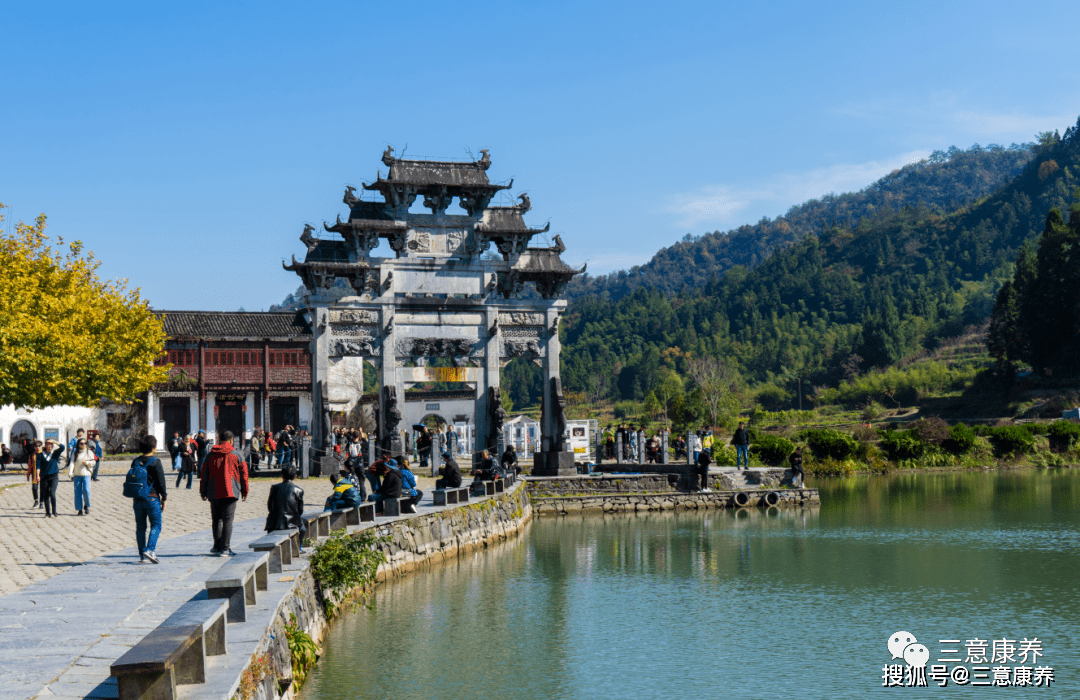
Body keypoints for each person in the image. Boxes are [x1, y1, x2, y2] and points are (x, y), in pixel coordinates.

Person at [200, 430, 249, 556]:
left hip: (213, 490)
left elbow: (204, 474)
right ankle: (225, 548)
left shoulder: (210, 455)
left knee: (216, 519)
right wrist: (245, 490)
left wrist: (203, 490)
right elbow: (244, 474)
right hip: (231, 490)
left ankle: (217, 546)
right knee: (227, 520)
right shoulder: (237, 454)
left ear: (219, 440)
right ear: (231, 440)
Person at [129, 435, 167, 563]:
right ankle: (150, 550)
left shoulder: (135, 461)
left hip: (138, 498)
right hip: (152, 498)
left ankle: (142, 554)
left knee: (140, 527)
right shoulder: (156, 462)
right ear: (153, 447)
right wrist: (164, 497)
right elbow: (161, 482)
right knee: (156, 524)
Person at [266, 465, 305, 548]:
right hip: (292, 522)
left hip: (274, 523)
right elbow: (300, 510)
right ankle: (299, 546)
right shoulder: (299, 490)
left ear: (282, 476)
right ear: (295, 476)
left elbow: (269, 506)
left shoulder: (274, 488)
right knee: (304, 526)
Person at [68, 436, 96, 515]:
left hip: (86, 474)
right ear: (78, 444)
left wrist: (87, 463)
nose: (84, 444)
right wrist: (70, 472)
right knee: (78, 493)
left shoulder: (89, 452)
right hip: (77, 474)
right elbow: (72, 462)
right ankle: (79, 509)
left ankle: (86, 505)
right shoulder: (75, 453)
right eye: (81, 443)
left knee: (86, 491)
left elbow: (93, 462)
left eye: (85, 443)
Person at [37, 439, 64, 518]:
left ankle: (54, 511)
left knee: (52, 493)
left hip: (54, 476)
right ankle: (47, 512)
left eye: (51, 445)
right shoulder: (41, 454)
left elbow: (62, 447)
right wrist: (37, 475)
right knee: (45, 494)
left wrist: (55, 442)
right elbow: (38, 466)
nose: (49, 446)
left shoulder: (55, 453)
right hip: (44, 477)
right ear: (45, 445)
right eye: (48, 444)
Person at [26, 440, 41, 508]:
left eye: (39, 446)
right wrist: (28, 473)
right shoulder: (32, 454)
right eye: (35, 446)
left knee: (43, 489)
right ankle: (36, 501)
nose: (37, 447)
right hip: (35, 474)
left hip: (43, 474)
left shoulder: (43, 454)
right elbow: (30, 465)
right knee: (34, 488)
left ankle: (42, 503)